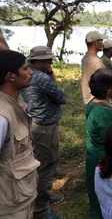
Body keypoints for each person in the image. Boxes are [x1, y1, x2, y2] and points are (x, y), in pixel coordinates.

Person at [22, 46, 66, 218]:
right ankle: (41, 208)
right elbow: (61, 97)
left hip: (34, 123)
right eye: (46, 60)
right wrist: (51, 76)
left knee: (39, 163)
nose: (50, 62)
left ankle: (43, 197)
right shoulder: (41, 78)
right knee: (47, 165)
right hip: (45, 127)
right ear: (36, 62)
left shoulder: (27, 74)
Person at [0, 50, 40, 218]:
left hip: (22, 197)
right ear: (11, 76)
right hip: (10, 206)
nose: (30, 72)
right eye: (25, 69)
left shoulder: (16, 102)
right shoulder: (2, 115)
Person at [85, 69, 112, 219]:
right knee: (106, 201)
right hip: (106, 161)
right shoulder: (106, 113)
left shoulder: (94, 103)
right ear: (109, 90)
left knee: (97, 196)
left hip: (95, 158)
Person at [81, 31, 105, 104]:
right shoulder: (94, 60)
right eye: (100, 40)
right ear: (95, 43)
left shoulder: (86, 58)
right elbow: (101, 81)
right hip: (96, 99)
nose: (102, 43)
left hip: (91, 98)